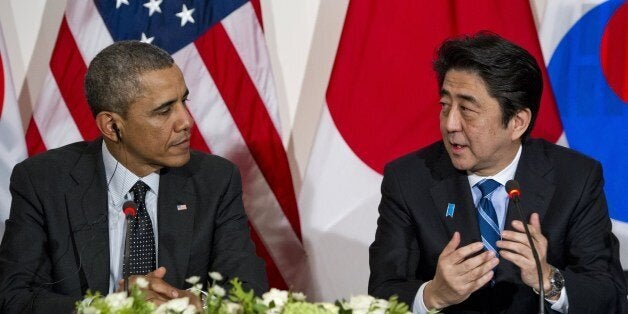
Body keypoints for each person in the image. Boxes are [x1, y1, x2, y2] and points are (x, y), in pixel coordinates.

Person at [0, 41, 268, 313]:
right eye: (164, 111)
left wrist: (199, 302)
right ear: (112, 126)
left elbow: (248, 289)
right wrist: (104, 308)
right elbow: (12, 297)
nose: (186, 121)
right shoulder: (43, 182)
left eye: (183, 101)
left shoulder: (215, 180)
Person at [368, 32, 626, 313]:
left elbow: (609, 293)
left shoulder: (575, 178)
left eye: (466, 109)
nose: (450, 124)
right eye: (445, 105)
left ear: (517, 122)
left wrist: (548, 278)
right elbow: (382, 292)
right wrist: (433, 295)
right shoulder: (408, 179)